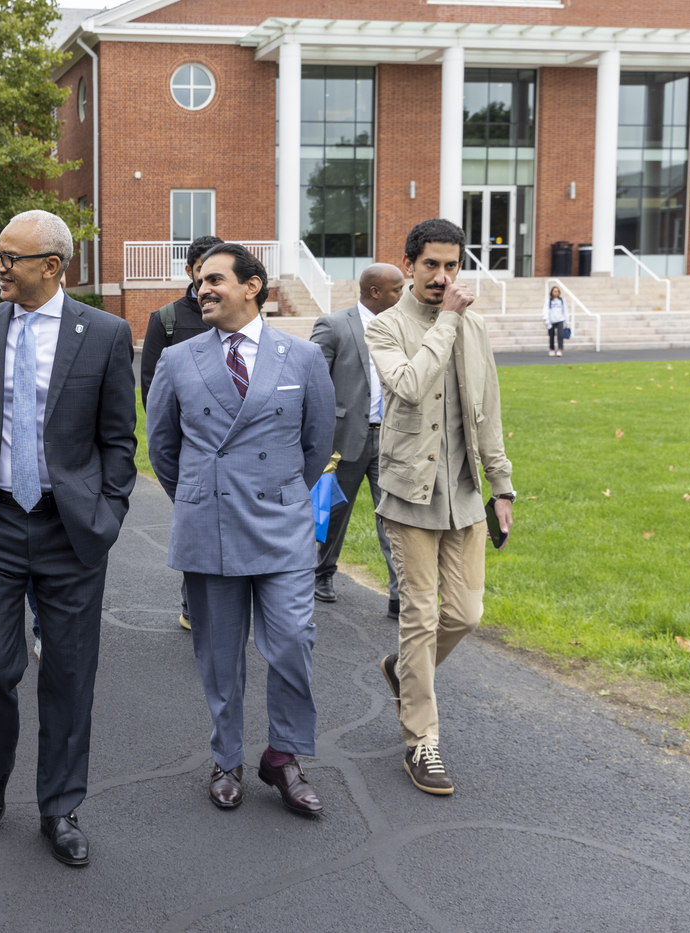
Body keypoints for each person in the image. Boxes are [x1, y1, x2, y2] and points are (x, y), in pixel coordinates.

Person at [0, 209, 137, 867]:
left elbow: (118, 439)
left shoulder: (105, 333)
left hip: (70, 527)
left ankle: (60, 804)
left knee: (70, 674)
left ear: (51, 266)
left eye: (8, 258)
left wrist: (106, 513)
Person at [146, 243, 335, 814]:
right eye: (199, 282)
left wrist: (280, 492)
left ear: (252, 286)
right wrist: (201, 497)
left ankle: (283, 756)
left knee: (293, 641)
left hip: (281, 523)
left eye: (214, 280)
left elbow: (316, 442)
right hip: (210, 524)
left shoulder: (301, 357)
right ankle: (226, 757)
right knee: (219, 654)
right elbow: (161, 447)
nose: (201, 289)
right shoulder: (178, 359)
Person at [364, 218, 514, 796]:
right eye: (431, 264)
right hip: (409, 496)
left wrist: (502, 487)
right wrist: (447, 320)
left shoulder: (474, 331)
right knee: (420, 618)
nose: (442, 276)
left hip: (466, 495)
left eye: (452, 265)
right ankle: (421, 741)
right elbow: (406, 384)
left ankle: (400, 669)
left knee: (466, 616)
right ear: (409, 265)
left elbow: (489, 413)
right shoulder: (386, 327)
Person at [309, 263, 404, 616]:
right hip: (343, 442)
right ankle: (322, 573)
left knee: (394, 520)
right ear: (375, 292)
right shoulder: (334, 326)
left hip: (391, 441)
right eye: (397, 289)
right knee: (333, 515)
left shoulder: (403, 326)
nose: (403, 294)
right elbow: (313, 383)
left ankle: (400, 594)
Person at [138, 235, 222, 632]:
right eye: (204, 270)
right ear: (190, 271)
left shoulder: (238, 314)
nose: (210, 281)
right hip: (190, 446)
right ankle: (194, 605)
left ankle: (227, 602)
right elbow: (152, 391)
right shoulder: (167, 319)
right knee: (195, 525)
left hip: (233, 444)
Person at [543, 285, 567, 357]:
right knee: (551, 336)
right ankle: (552, 349)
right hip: (551, 321)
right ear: (552, 292)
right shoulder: (549, 301)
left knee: (560, 335)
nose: (556, 293)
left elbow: (565, 311)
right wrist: (546, 320)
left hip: (560, 320)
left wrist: (566, 321)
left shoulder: (562, 300)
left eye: (557, 291)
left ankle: (560, 349)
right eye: (554, 291)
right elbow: (545, 310)